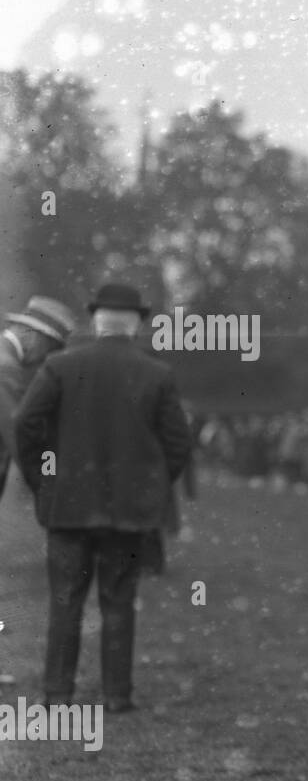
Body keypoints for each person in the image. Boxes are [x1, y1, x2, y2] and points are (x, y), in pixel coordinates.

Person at [14, 283, 192, 712]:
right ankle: (116, 695)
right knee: (118, 603)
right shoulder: (157, 374)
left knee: (64, 604)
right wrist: (149, 486)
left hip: (68, 509)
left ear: (95, 320)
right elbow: (178, 445)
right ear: (136, 324)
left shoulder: (59, 366)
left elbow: (25, 425)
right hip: (129, 514)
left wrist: (45, 479)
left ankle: (58, 695)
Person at [0, 295, 77, 505]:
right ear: (33, 336)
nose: (46, 359)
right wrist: (46, 483)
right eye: (51, 348)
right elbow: (18, 434)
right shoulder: (6, 368)